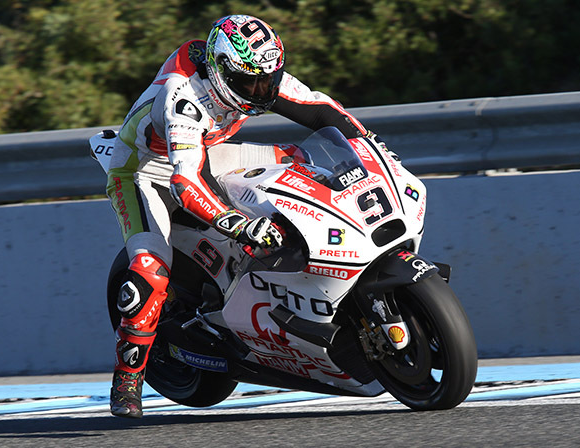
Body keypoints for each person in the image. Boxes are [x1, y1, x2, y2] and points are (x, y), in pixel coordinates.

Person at [106, 14, 393, 418]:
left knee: (302, 161)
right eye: (249, 83)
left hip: (209, 150)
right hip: (147, 170)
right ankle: (127, 377)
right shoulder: (183, 98)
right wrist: (239, 223)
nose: (261, 90)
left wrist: (370, 147)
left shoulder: (255, 70)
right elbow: (186, 183)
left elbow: (322, 110)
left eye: (269, 79)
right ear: (221, 71)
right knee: (150, 271)